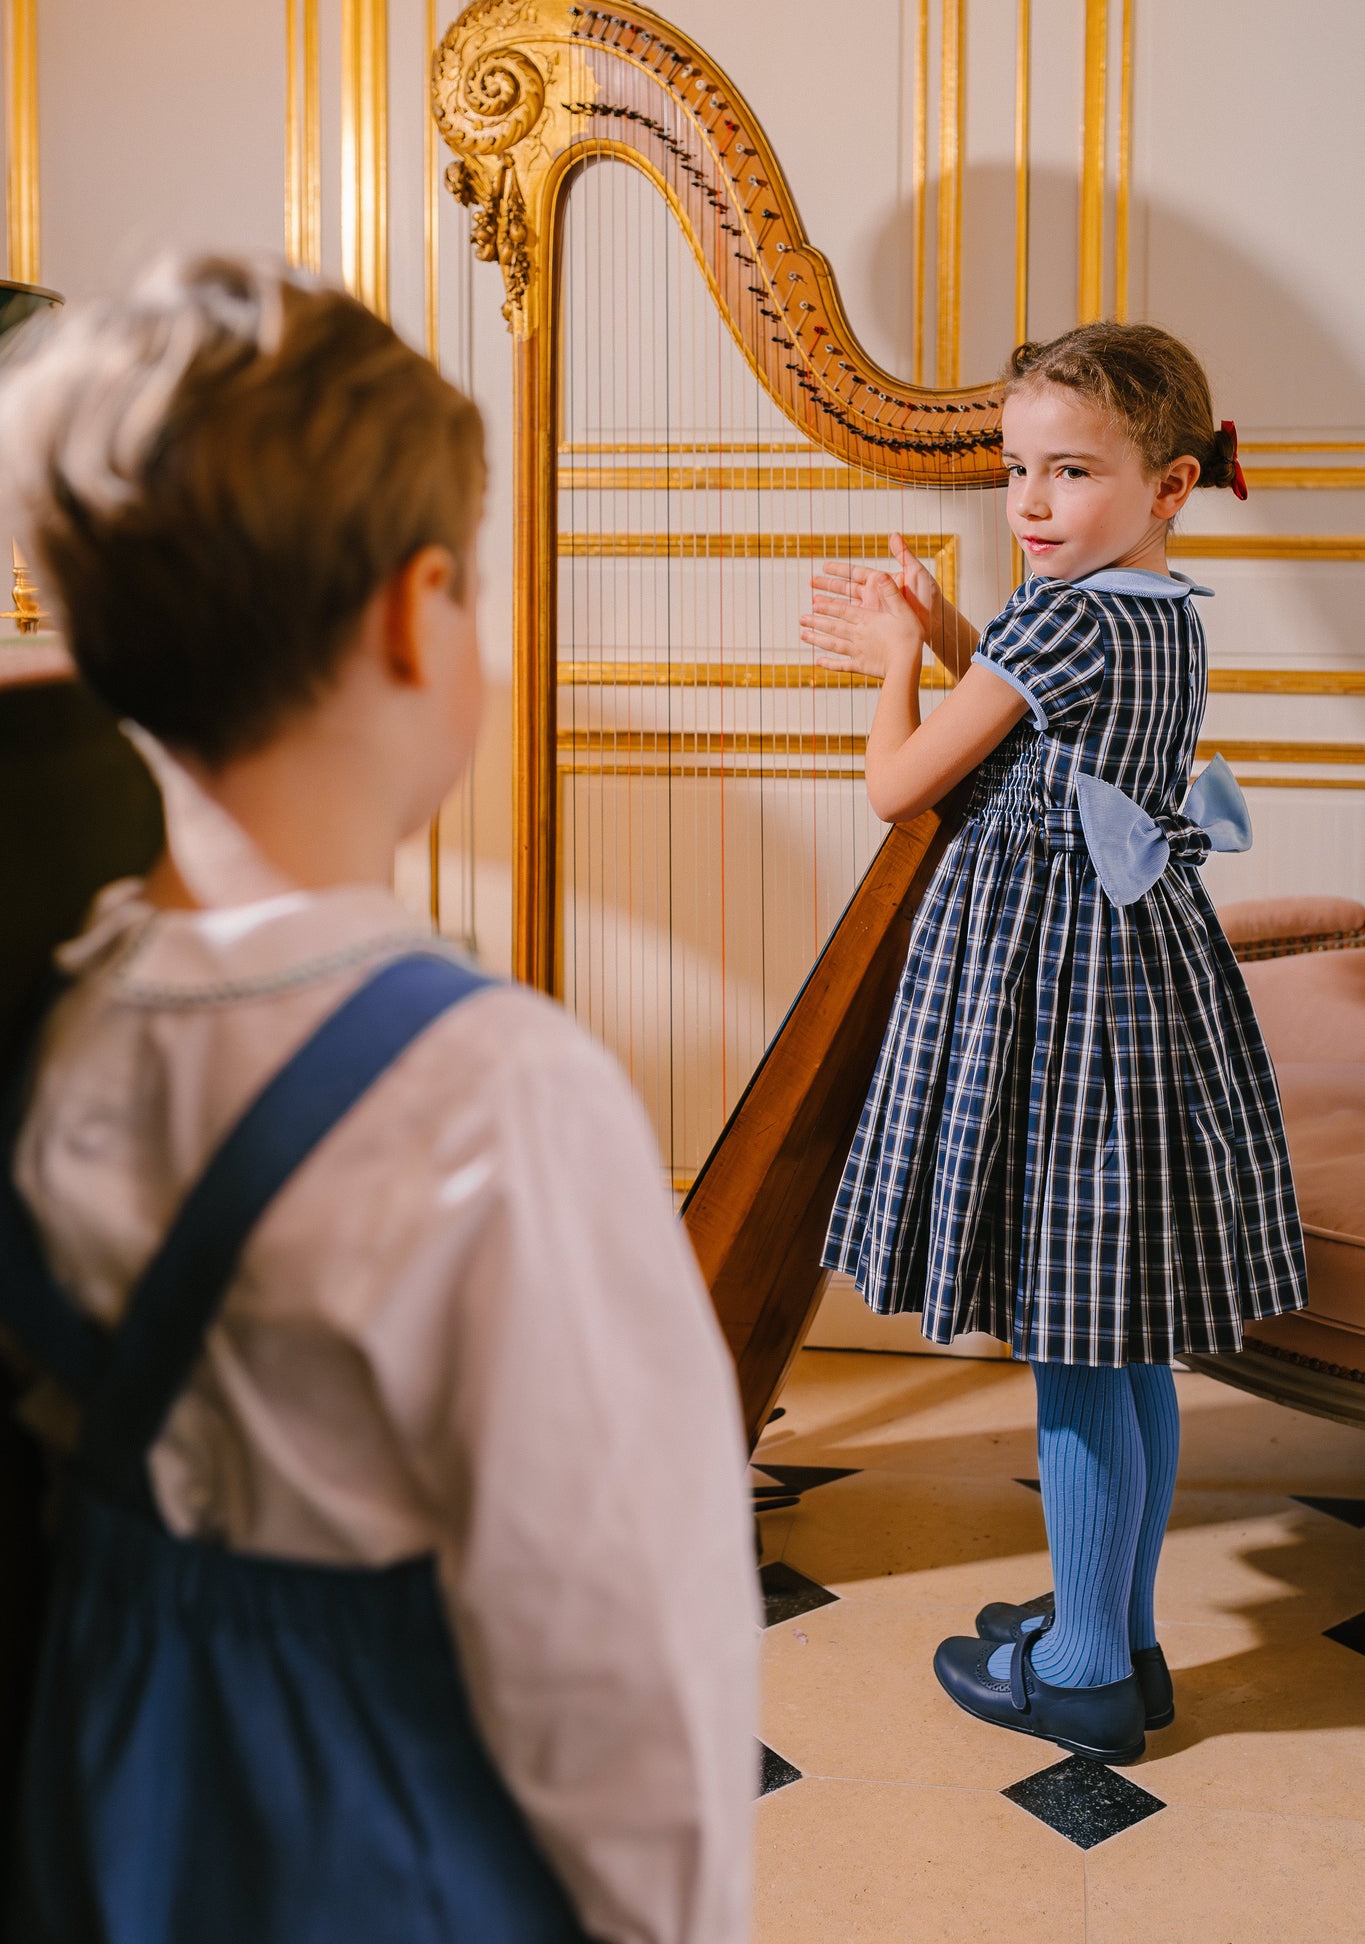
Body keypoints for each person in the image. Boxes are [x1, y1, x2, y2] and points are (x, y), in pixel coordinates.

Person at [0, 255, 758, 1942]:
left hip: (105, 1784)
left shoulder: (61, 1025)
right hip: (369, 1832)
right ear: (420, 614)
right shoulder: (497, 1094)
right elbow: (621, 1647)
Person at [799, 321, 1306, 1766]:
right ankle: (1119, 1634)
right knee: (1120, 1338)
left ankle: (1083, 1670)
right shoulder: (1158, 610)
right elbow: (1038, 728)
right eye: (1016, 467)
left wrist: (896, 661)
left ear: (1167, 487)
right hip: (1138, 988)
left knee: (1071, 1346)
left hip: (1047, 996)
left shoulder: (1052, 621)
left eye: (1070, 471)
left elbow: (906, 786)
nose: (1028, 502)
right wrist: (959, 640)